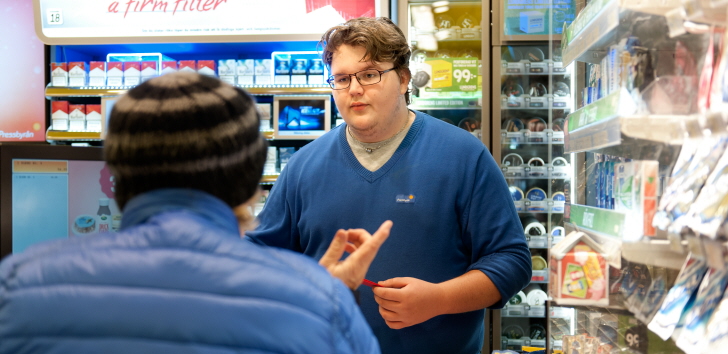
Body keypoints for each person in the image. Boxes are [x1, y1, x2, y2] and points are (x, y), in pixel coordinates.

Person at [0, 72, 391, 354]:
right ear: (250, 182)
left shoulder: (16, 286)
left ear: (116, 176)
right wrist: (320, 297)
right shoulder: (319, 301)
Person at [246, 17, 532, 354]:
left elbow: (511, 261)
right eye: (341, 78)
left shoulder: (463, 156)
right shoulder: (302, 167)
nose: (354, 89)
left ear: (403, 79)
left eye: (369, 75)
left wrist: (439, 300)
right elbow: (257, 257)